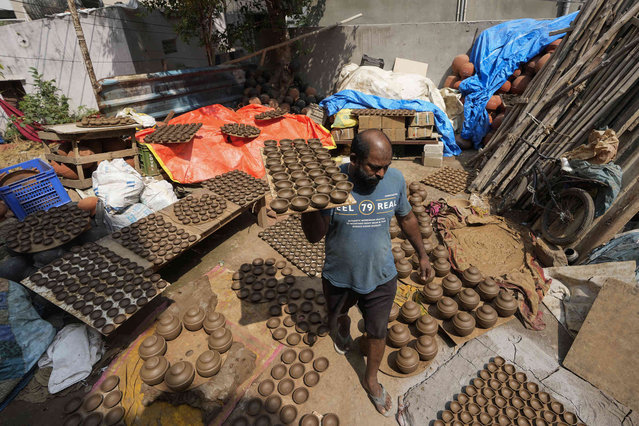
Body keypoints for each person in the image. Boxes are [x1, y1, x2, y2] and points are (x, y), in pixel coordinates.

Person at [301, 129, 433, 416]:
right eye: (375, 167)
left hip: (381, 275)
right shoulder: (332, 182)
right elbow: (314, 236)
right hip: (340, 275)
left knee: (377, 331)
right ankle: (343, 328)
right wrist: (312, 203)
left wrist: (422, 254)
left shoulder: (395, 179)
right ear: (354, 159)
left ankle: (371, 379)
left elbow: (407, 217)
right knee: (338, 315)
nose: (383, 173)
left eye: (386, 165)